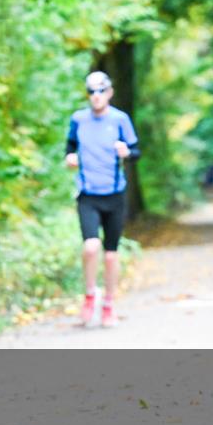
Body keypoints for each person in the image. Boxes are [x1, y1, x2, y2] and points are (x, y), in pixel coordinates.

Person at [64, 71, 140, 328]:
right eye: (91, 91)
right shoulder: (78, 119)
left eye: (100, 91)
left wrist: (126, 151)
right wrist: (70, 158)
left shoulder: (120, 119)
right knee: (90, 247)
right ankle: (89, 296)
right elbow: (70, 147)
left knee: (110, 255)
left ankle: (108, 305)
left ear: (109, 92)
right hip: (88, 194)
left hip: (115, 194)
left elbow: (136, 150)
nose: (95, 96)